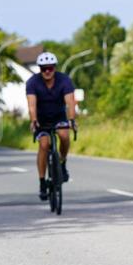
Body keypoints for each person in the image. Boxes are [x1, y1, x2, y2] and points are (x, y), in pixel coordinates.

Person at [26, 52, 77, 201]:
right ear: (39, 69)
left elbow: (70, 102)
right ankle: (42, 182)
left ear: (55, 68)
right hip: (41, 119)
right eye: (43, 69)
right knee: (44, 144)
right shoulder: (32, 82)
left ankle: (62, 163)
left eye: (50, 68)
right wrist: (34, 120)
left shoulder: (64, 80)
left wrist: (72, 119)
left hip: (58, 117)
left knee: (64, 135)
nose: (47, 71)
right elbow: (31, 105)